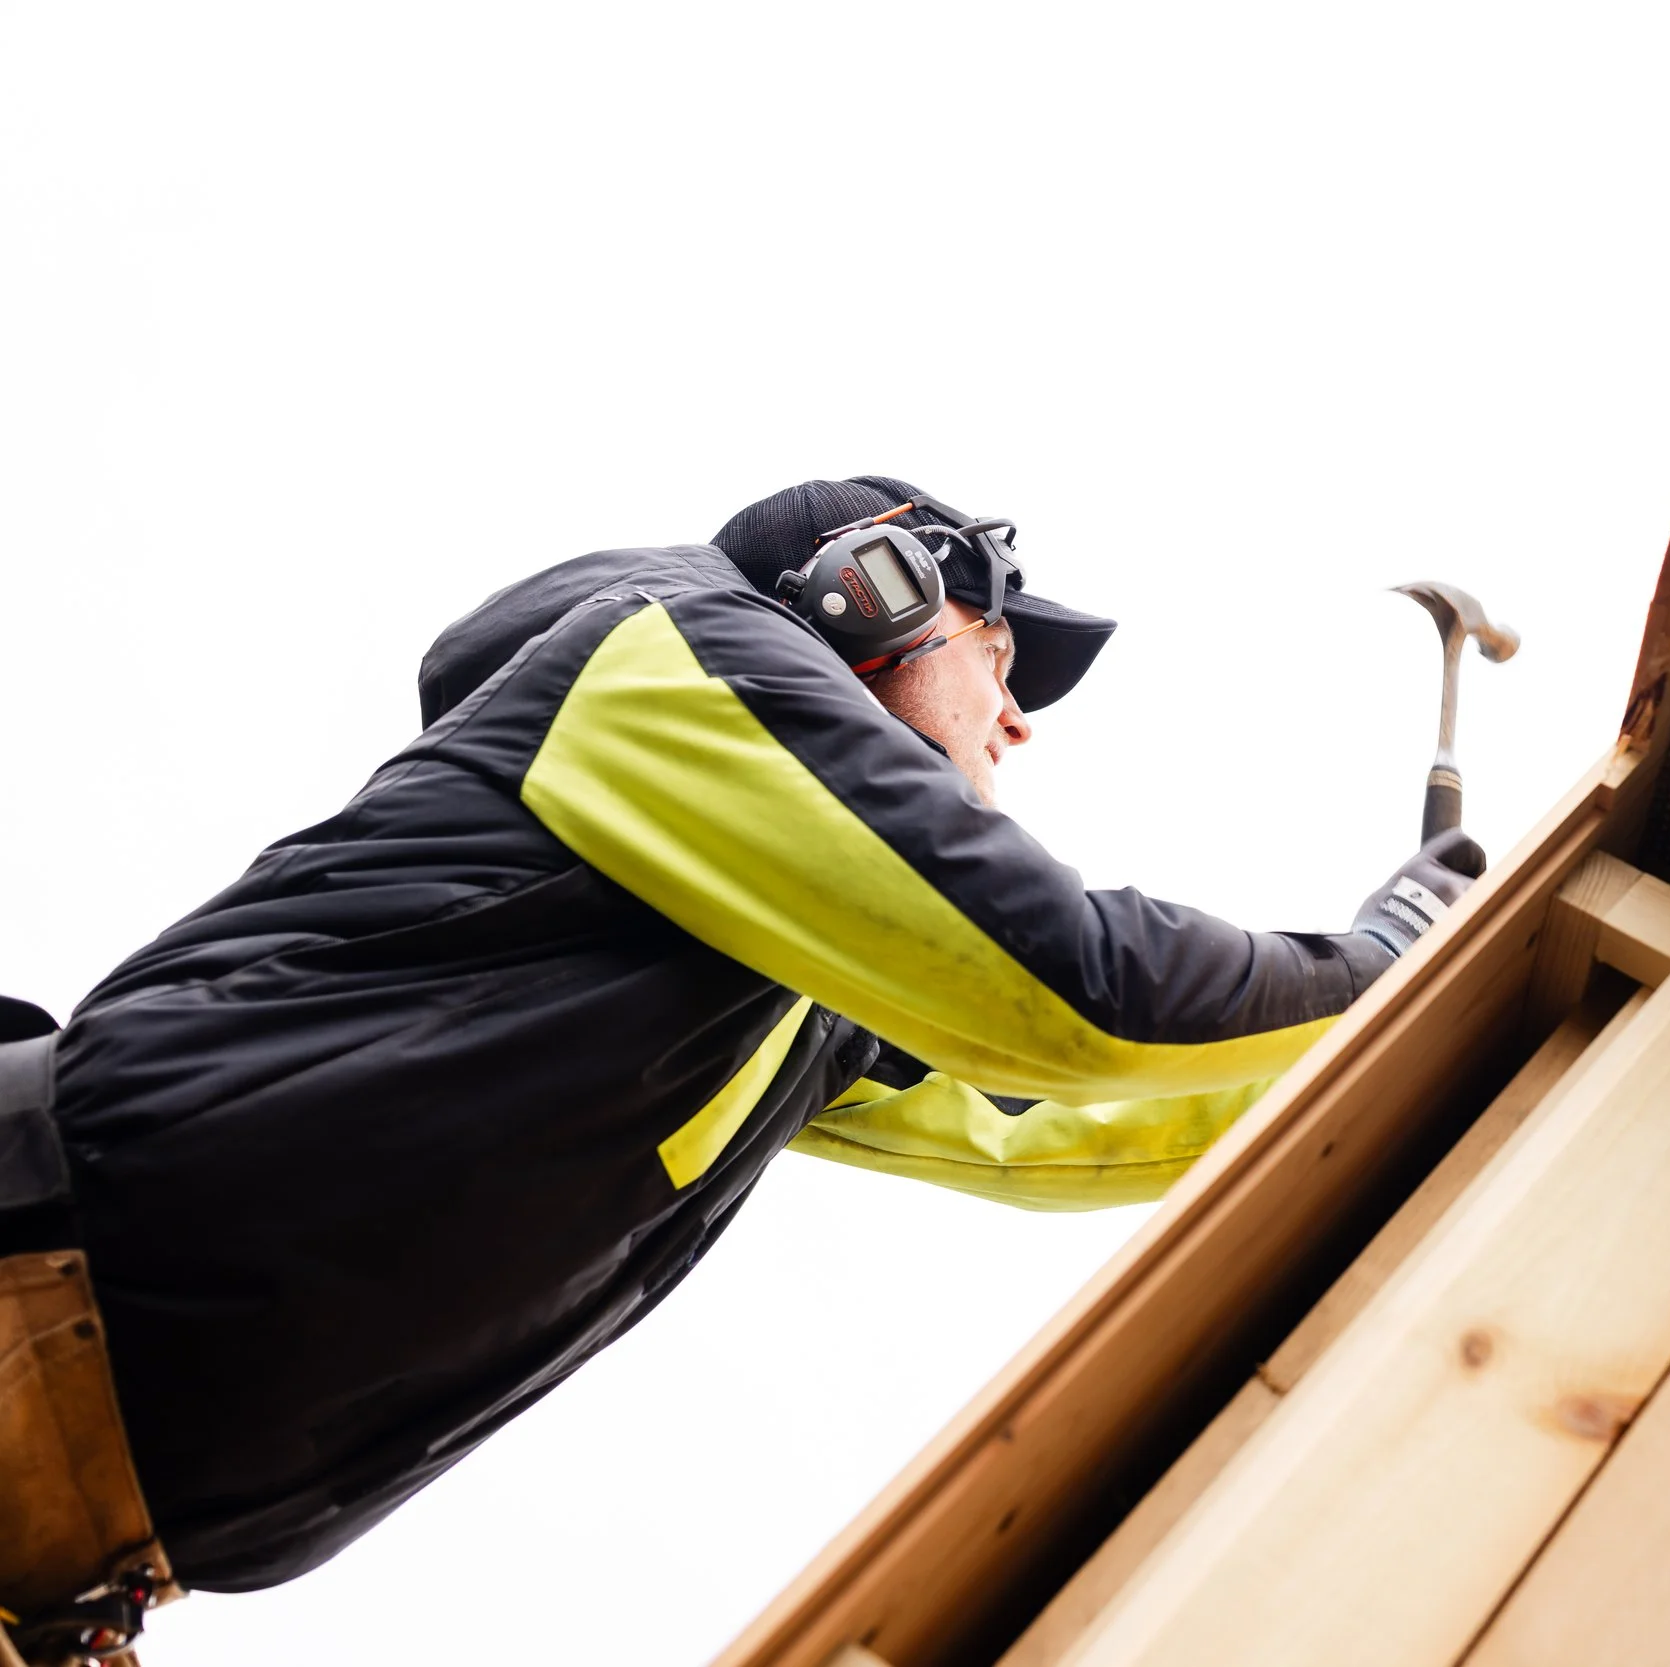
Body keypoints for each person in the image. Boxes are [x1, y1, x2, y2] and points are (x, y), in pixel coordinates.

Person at [0, 476, 1482, 1613]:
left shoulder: (799, 972)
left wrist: (1408, 1015)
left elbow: (1080, 1112)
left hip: (68, 1533)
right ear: (871, 594)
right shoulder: (674, 668)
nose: (1017, 724)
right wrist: (1376, 963)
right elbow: (1083, 990)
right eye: (1000, 652)